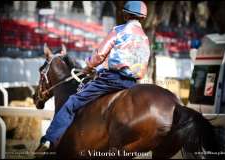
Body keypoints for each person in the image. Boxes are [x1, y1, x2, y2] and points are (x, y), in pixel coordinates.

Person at [35, 1, 150, 152]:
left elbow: (100, 54)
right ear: (142, 18)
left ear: (126, 14)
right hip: (133, 84)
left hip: (112, 79)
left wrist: (88, 67)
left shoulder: (119, 30)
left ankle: (48, 140)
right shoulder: (145, 38)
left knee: (72, 102)